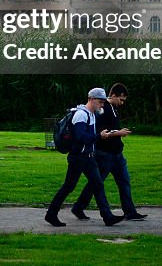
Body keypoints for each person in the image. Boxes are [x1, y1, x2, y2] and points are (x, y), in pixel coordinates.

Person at [44, 87, 125, 227]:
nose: (102, 105)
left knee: (97, 184)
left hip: (88, 157)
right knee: (69, 187)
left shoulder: (91, 114)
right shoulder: (81, 115)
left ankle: (107, 216)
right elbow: (80, 136)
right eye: (100, 102)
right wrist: (99, 136)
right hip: (79, 157)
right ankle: (51, 214)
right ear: (91, 99)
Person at [70, 83, 147, 221]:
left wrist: (118, 132)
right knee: (96, 183)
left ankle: (129, 211)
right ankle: (79, 207)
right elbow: (99, 133)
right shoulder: (102, 109)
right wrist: (118, 133)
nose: (122, 103)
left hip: (116, 154)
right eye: (121, 99)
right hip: (105, 154)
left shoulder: (113, 109)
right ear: (113, 96)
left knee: (123, 181)